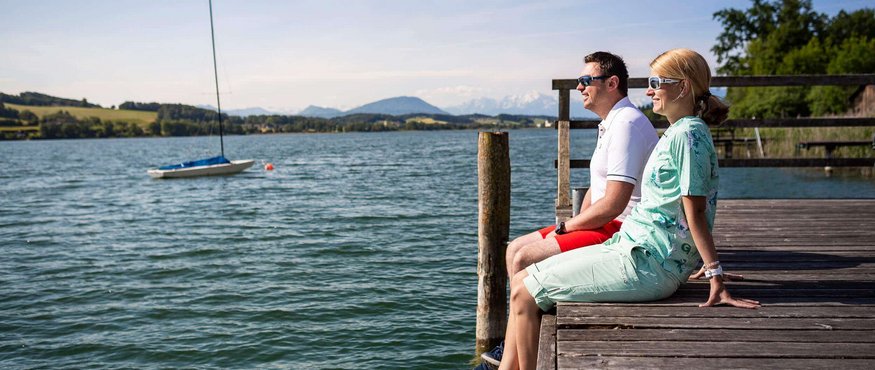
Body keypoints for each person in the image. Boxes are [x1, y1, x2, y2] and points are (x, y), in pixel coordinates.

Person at [496, 48, 761, 370]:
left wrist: (715, 273)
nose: (648, 90)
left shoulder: (688, 135)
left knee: (524, 292)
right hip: (633, 247)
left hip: (649, 264)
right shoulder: (677, 132)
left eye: (656, 82)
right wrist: (697, 261)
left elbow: (696, 211)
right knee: (523, 278)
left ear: (683, 86)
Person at [480, 51, 658, 368]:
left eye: (586, 80)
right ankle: (511, 353)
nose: (579, 87)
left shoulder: (627, 124)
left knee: (524, 257)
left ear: (612, 83)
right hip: (603, 223)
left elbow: (615, 202)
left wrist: (568, 228)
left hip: (620, 231)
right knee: (514, 249)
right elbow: (597, 188)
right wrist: (573, 223)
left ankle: (517, 361)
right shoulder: (611, 122)